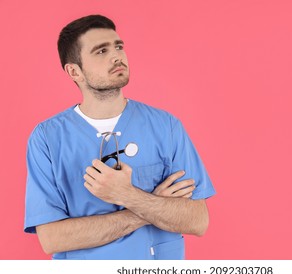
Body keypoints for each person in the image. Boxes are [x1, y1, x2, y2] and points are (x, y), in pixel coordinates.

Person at [24, 14, 215, 260]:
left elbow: (198, 221)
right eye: (101, 51)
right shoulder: (47, 139)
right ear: (75, 72)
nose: (117, 56)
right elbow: (52, 239)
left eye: (119, 46)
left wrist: (127, 195)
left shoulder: (165, 126)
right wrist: (150, 205)